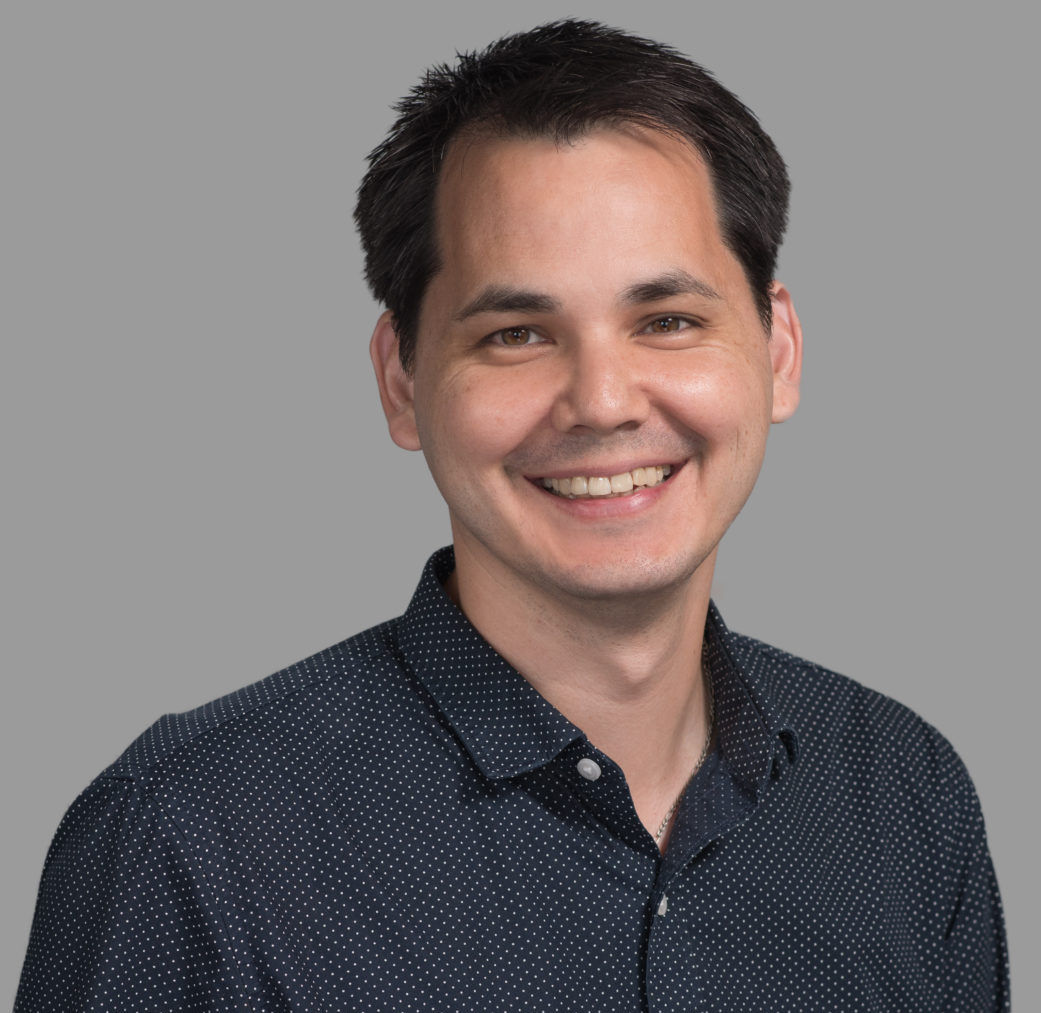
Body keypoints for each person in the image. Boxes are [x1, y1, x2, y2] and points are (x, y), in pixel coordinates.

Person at [15, 19, 1009, 1012]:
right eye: (518, 332)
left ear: (778, 348)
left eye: (667, 320)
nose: (604, 399)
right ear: (402, 382)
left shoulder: (905, 799)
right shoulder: (190, 837)